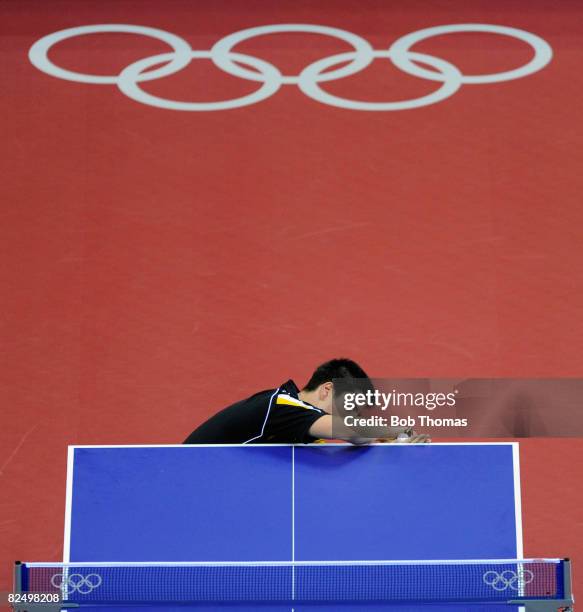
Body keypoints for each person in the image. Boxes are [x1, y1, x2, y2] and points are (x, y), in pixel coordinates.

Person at [183, 358, 429, 445]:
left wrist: (394, 446)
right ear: (327, 390)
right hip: (190, 473)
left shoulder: (301, 422)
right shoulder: (281, 405)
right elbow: (354, 434)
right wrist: (397, 430)